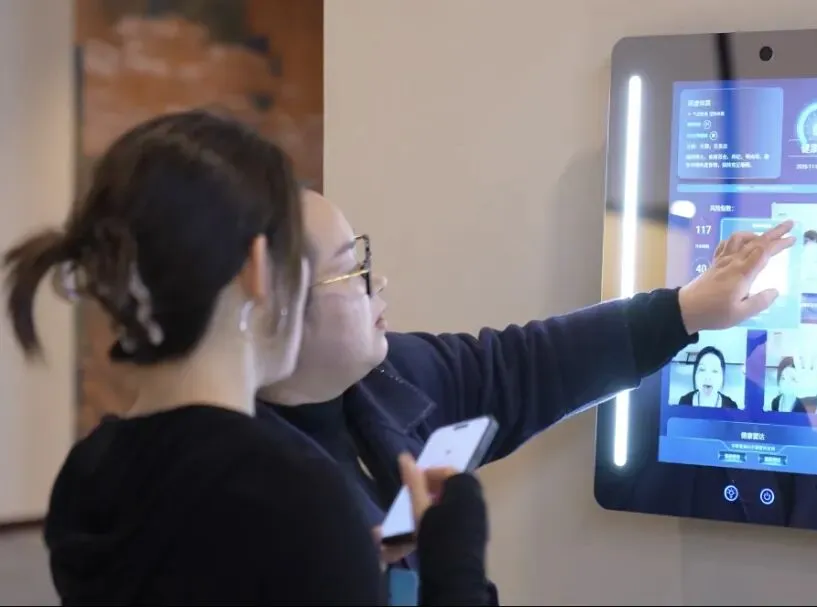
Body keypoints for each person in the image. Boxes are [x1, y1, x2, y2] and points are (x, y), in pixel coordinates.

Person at [5, 110, 489, 605]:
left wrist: (349, 561)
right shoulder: (294, 496)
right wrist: (457, 562)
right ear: (257, 269)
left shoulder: (87, 472)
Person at [254, 192, 796, 575]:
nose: (378, 280)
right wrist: (451, 564)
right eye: (352, 268)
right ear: (270, 298)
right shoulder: (254, 498)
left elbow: (522, 367)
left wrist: (685, 310)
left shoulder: (389, 377)